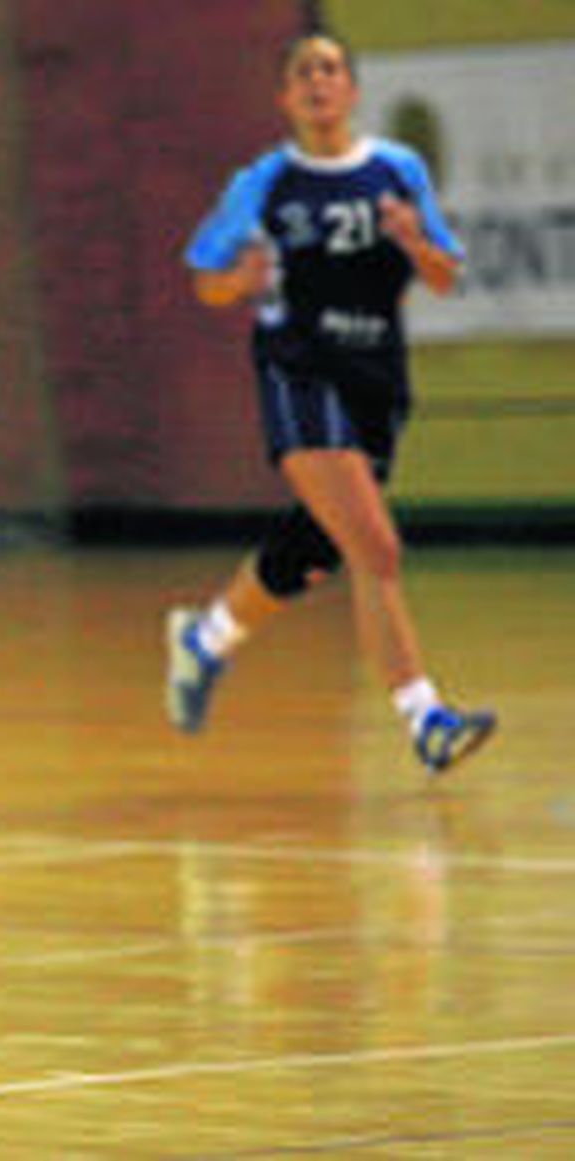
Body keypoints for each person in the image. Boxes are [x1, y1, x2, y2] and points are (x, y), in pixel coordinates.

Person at [167, 30, 495, 775]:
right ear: (285, 97)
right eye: (303, 72)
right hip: (299, 371)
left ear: (351, 89)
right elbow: (207, 281)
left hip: (375, 377)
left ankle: (207, 639)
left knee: (315, 549)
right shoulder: (263, 182)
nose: (318, 81)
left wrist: (413, 241)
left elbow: (445, 275)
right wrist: (240, 281)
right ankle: (426, 718)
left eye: (331, 69)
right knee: (376, 547)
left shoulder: (397, 169)